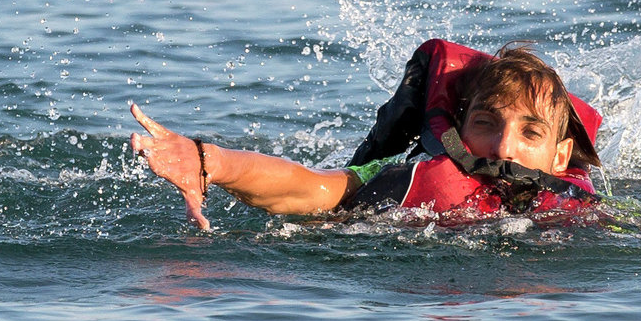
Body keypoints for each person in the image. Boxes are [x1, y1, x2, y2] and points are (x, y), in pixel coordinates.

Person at [130, 39, 602, 230]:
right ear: (458, 129)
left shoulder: (581, 209)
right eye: (486, 123)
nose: (502, 147)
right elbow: (308, 187)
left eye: (529, 133)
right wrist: (209, 160)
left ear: (561, 156)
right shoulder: (407, 178)